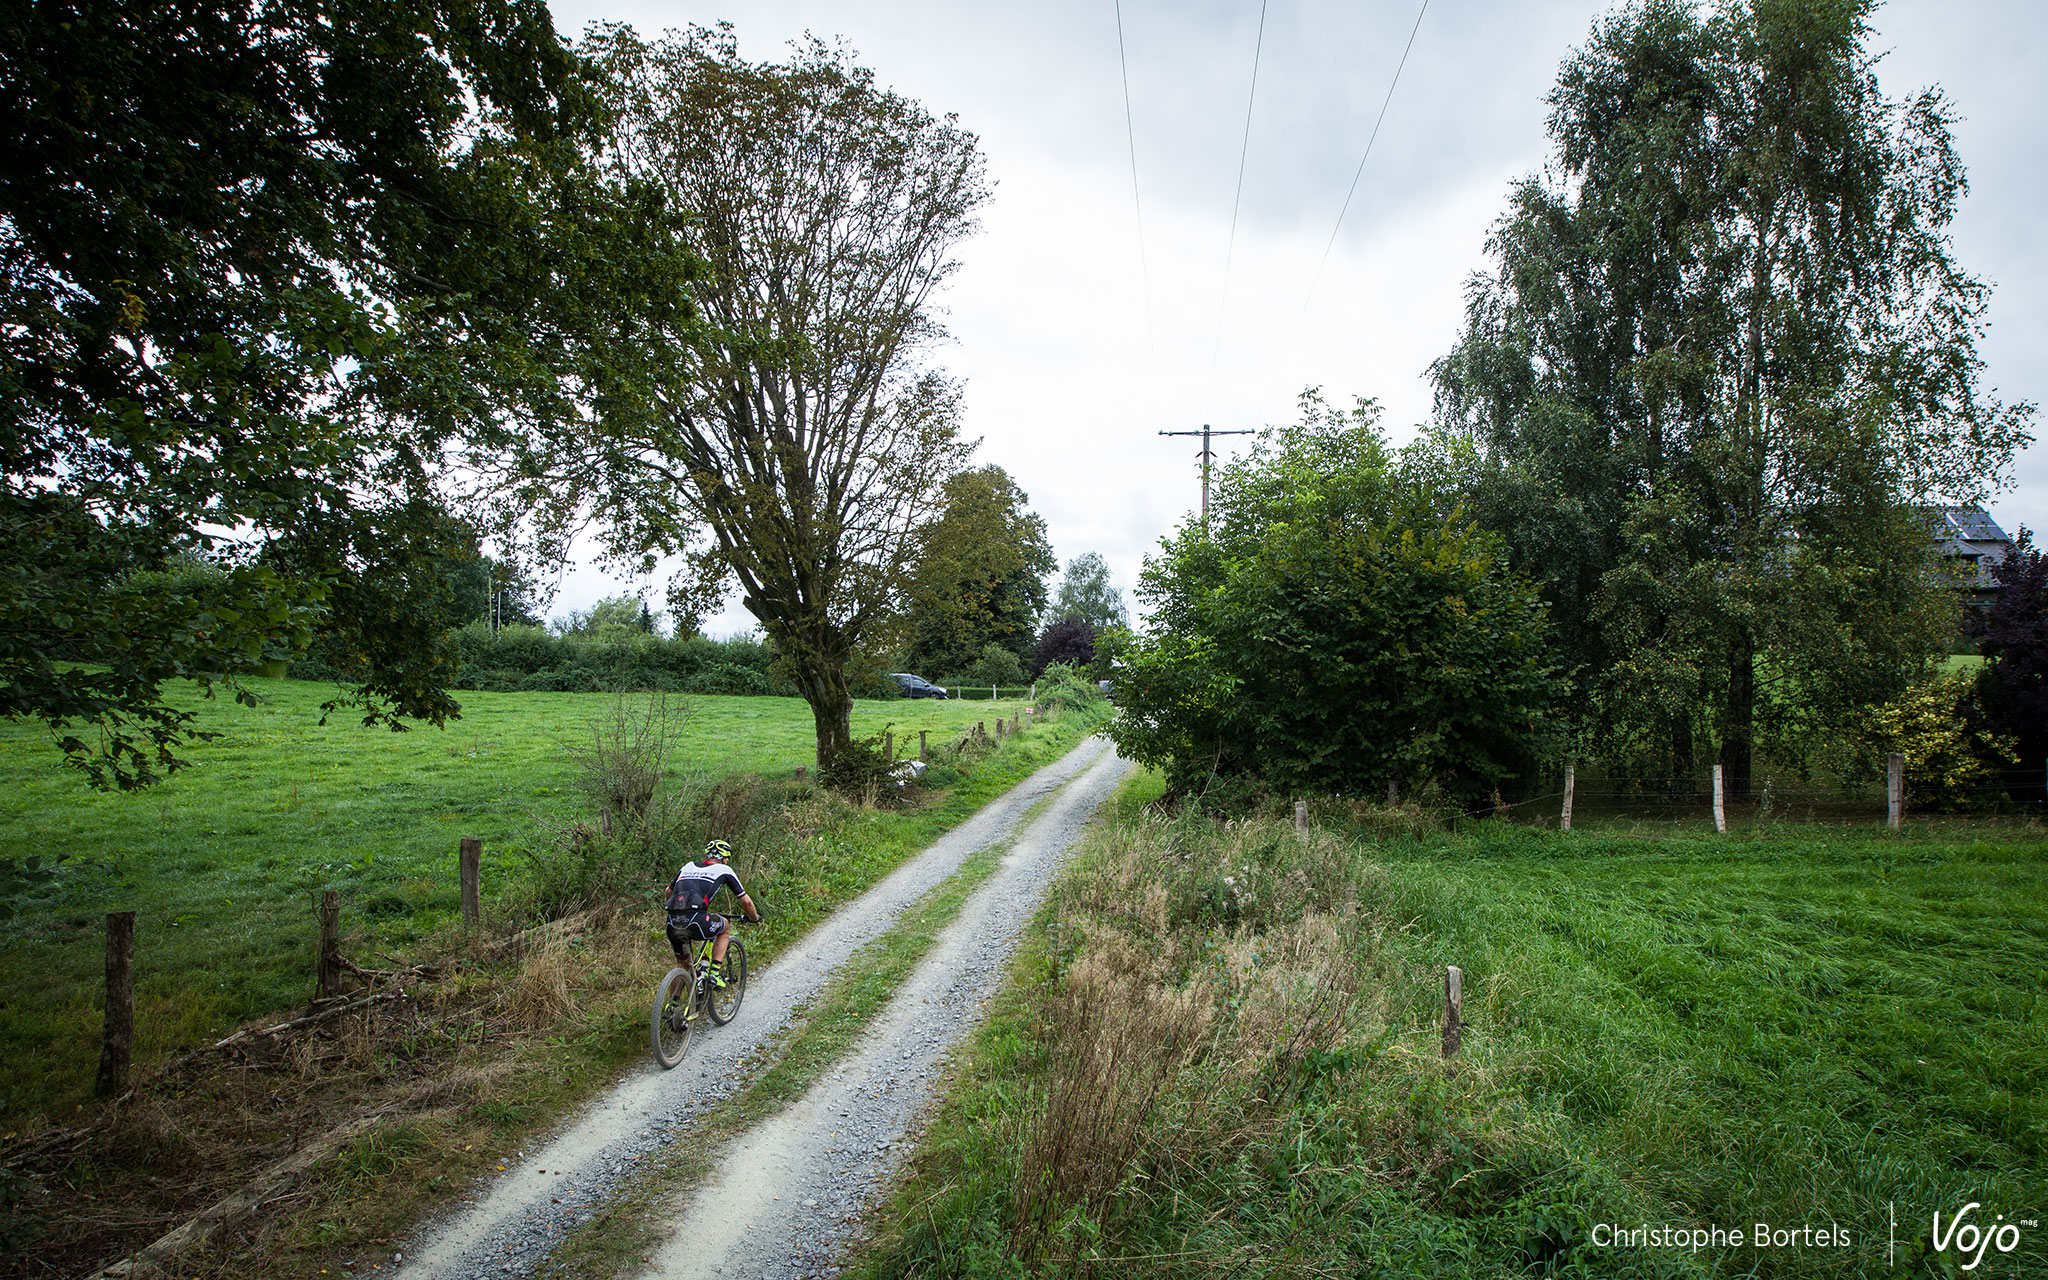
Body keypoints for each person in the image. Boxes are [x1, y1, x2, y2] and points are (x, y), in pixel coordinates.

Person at [665, 838, 760, 986]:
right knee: (724, 926)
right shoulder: (725, 870)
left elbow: (668, 892)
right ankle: (715, 973)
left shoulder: (688, 866)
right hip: (697, 921)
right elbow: (746, 901)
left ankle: (672, 1006)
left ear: (707, 855)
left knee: (682, 965)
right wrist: (754, 918)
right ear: (725, 858)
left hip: (672, 922)